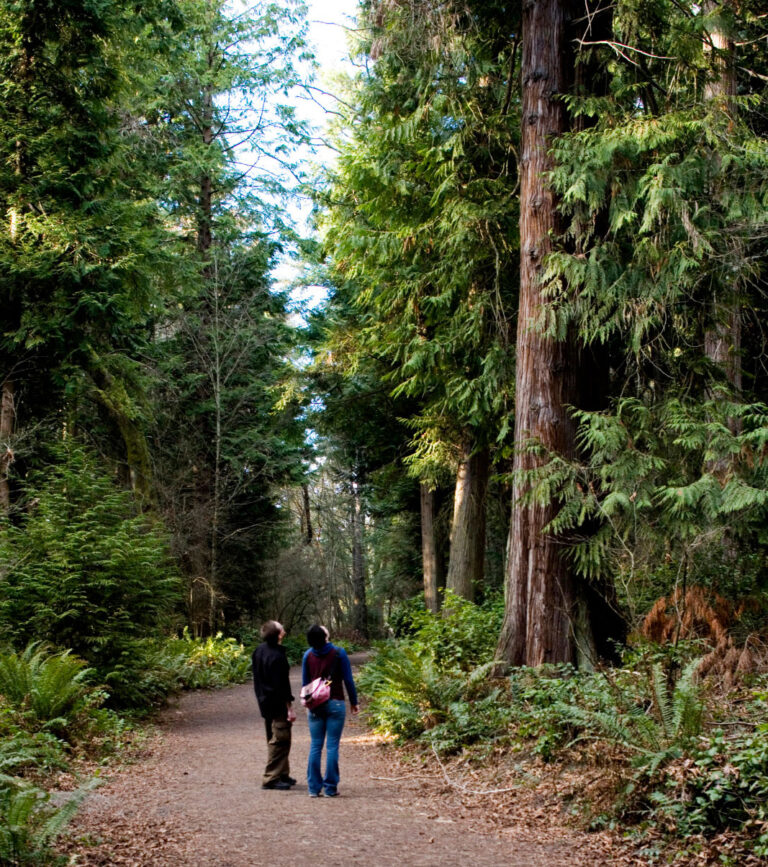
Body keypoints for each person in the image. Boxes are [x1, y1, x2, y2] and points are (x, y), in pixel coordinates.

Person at [302, 624, 359, 798]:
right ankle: (330, 788)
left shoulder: (307, 655)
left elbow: (306, 684)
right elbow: (348, 680)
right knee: (332, 745)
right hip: (335, 702)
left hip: (315, 705)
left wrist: (308, 702)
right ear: (325, 636)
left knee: (315, 745)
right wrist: (354, 702)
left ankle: (313, 788)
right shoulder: (338, 653)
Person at [252, 620, 296, 791]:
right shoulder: (277, 657)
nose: (284, 629)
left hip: (264, 701)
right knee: (280, 739)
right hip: (277, 703)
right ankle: (271, 777)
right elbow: (282, 685)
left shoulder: (259, 651)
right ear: (279, 634)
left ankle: (282, 773)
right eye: (281, 628)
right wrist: (289, 706)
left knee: (275, 736)